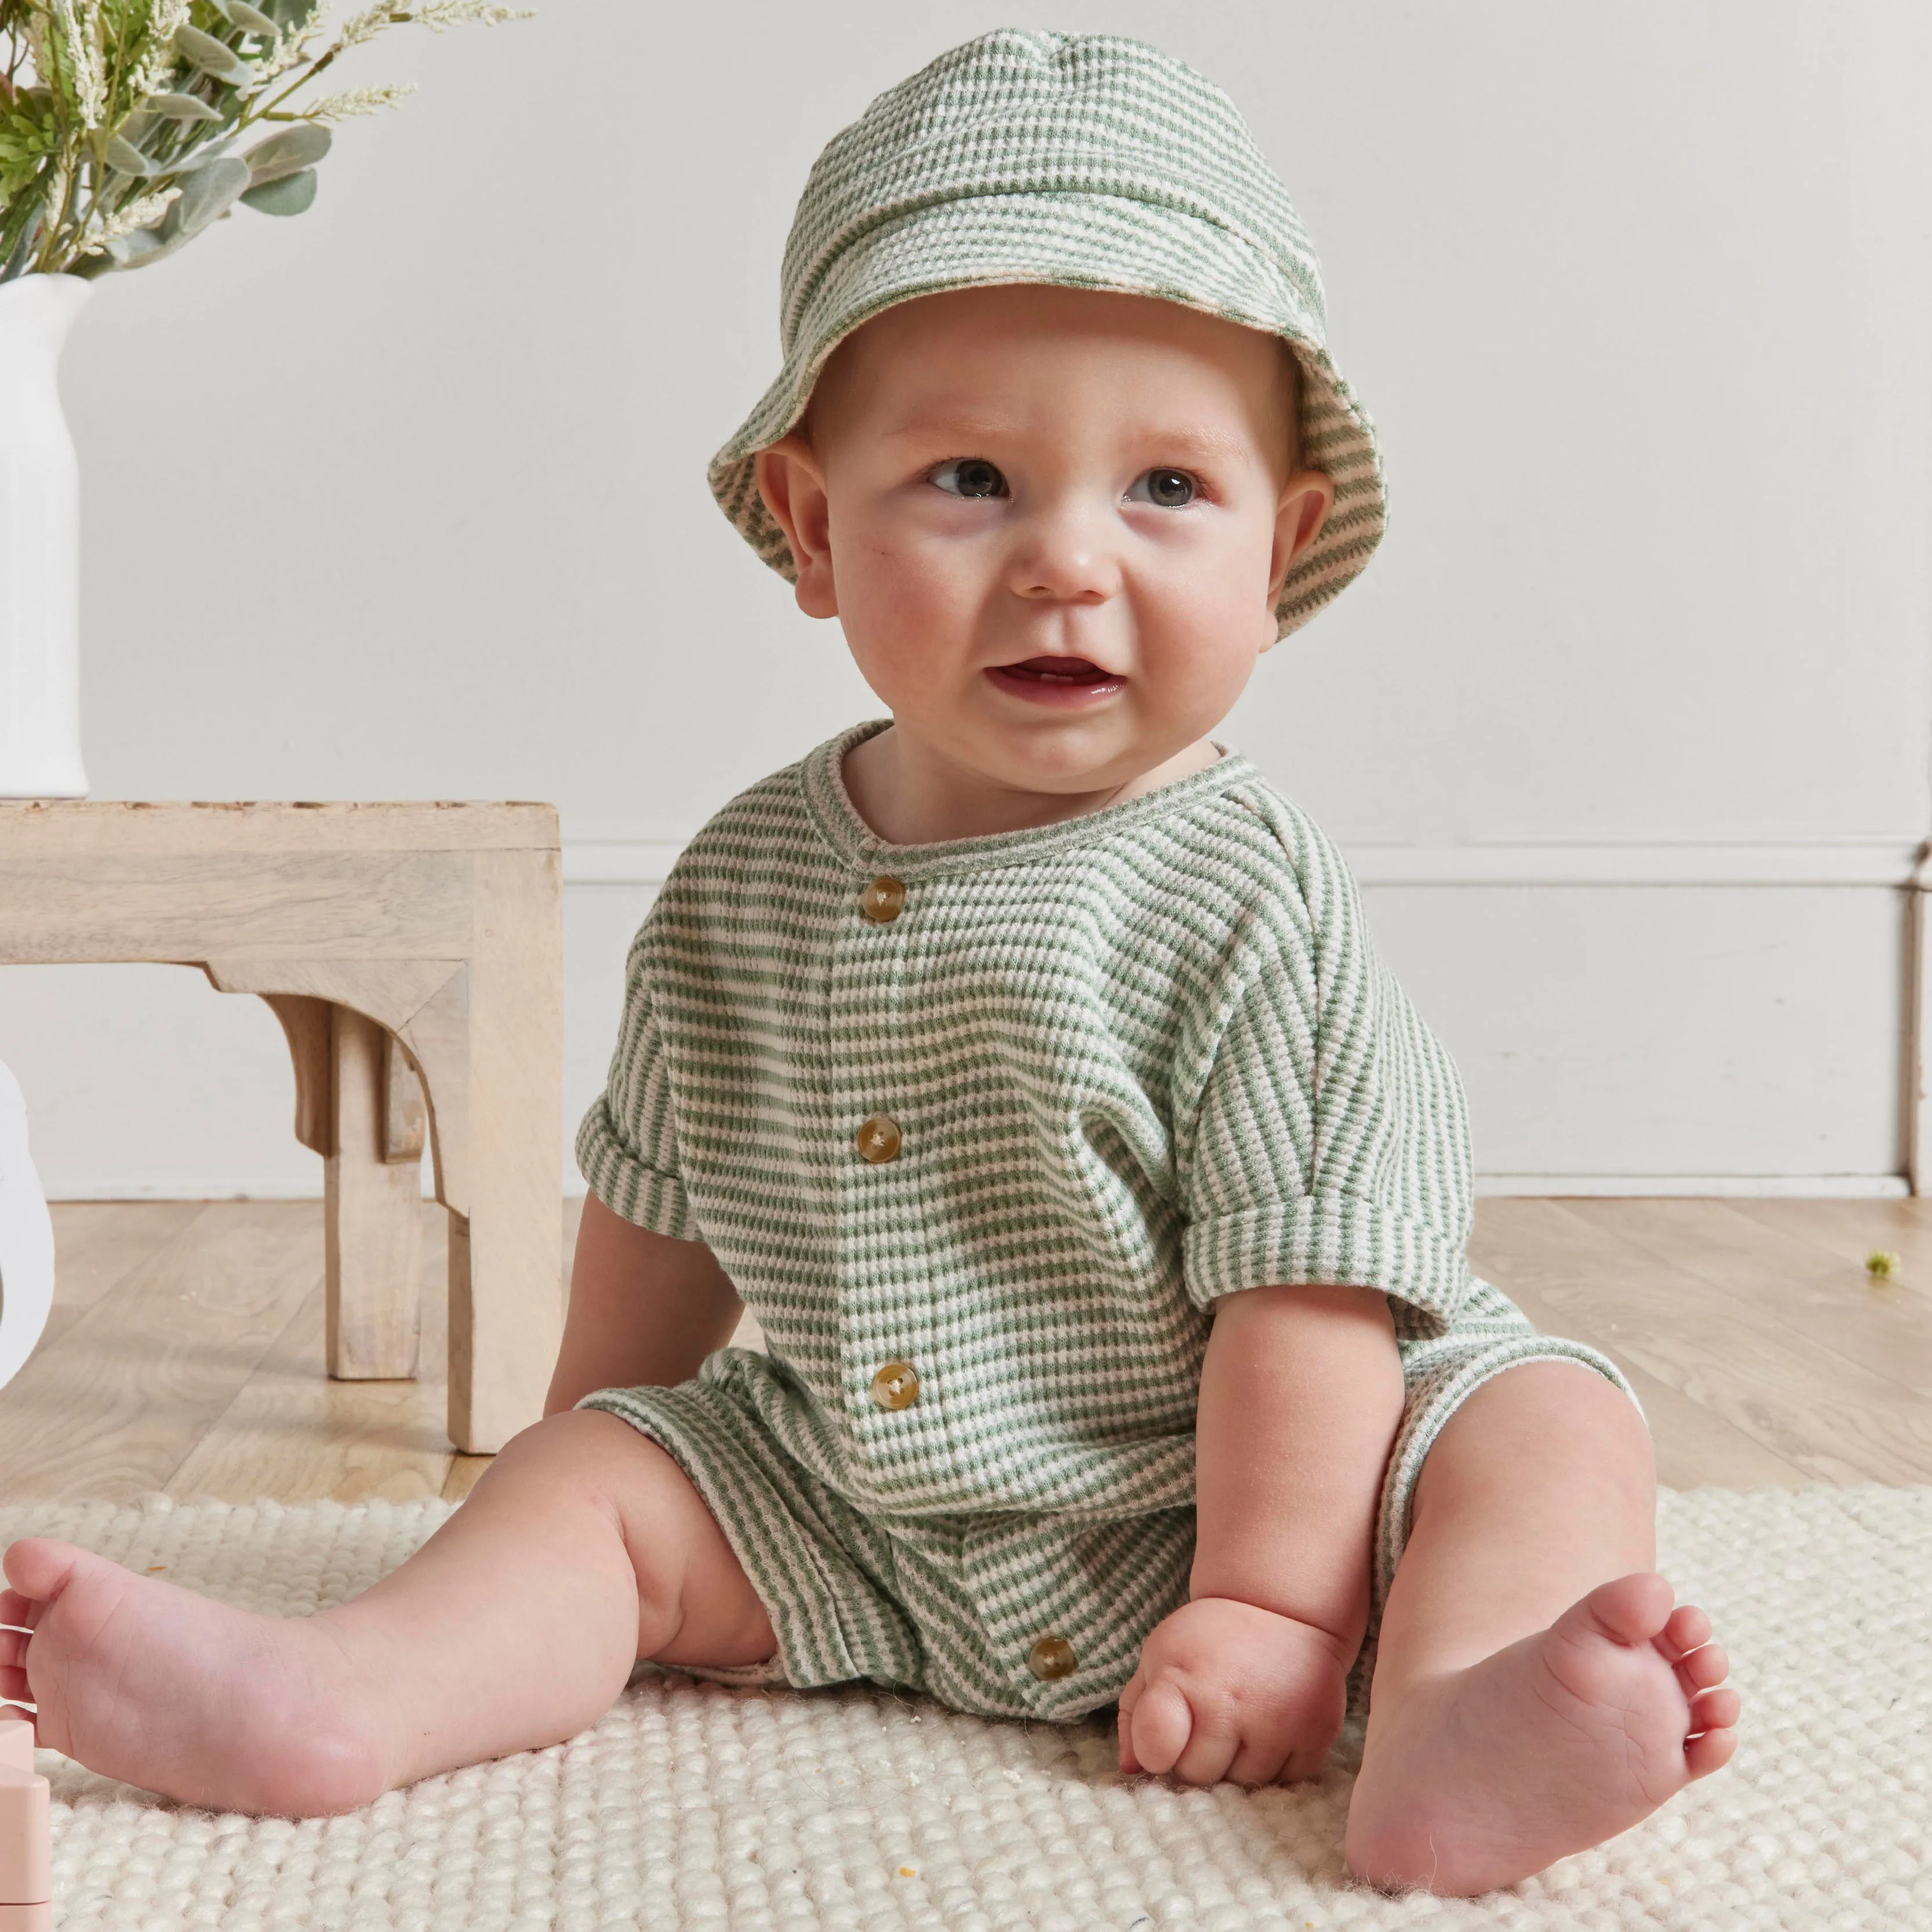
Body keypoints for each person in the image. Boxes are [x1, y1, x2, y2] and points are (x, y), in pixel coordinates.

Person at [0, 30, 1738, 1896]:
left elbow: (1306, 1288)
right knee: (599, 1481)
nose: (1068, 559)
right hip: (862, 1507)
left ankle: (1464, 1711)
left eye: (1164, 488)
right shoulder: (742, 877)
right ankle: (348, 1691)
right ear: (815, 528)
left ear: (1279, 546)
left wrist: (1266, 1603)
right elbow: (654, 1210)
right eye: (973, 477)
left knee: (1545, 1421)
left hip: (1282, 1496)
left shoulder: (1250, 894)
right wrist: (566, 1458)